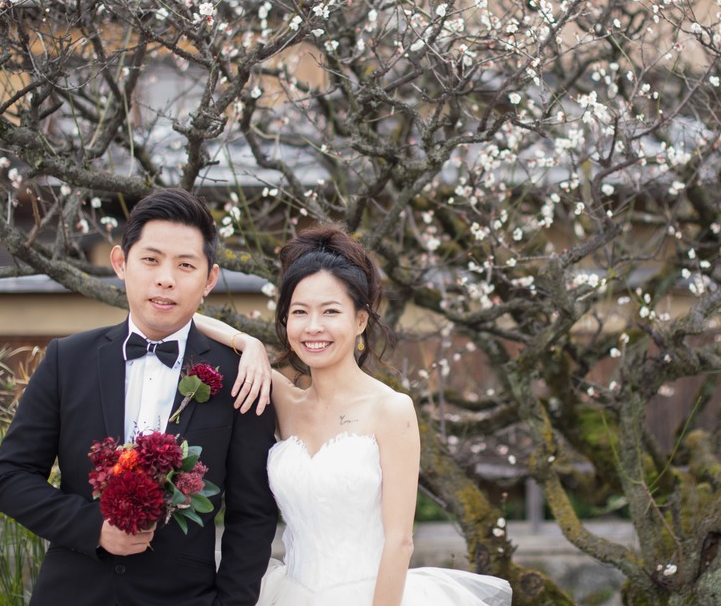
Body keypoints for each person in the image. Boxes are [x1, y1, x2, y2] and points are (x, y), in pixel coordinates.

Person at [0, 188, 278, 606]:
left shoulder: (240, 376)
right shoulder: (66, 360)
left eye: (185, 265)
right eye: (151, 259)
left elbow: (253, 515)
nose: (166, 278)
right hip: (71, 593)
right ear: (121, 264)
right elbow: (10, 478)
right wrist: (93, 527)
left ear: (209, 279)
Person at [196, 224, 512, 606]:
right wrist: (247, 344)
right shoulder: (285, 401)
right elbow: (189, 319)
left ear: (360, 320)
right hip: (290, 592)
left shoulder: (391, 409)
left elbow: (400, 540)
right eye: (300, 312)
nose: (313, 327)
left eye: (330, 311)